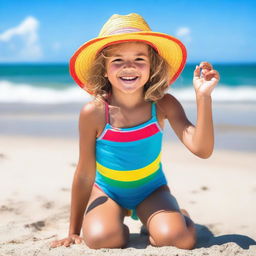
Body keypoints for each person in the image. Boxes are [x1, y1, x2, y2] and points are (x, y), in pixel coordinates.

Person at [50, 13, 220, 250]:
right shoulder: (95, 112)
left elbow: (202, 150)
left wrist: (203, 97)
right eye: (117, 60)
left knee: (178, 239)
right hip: (107, 191)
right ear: (104, 69)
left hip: (152, 190)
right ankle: (119, 219)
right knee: (102, 239)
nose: (129, 66)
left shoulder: (163, 104)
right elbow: (85, 172)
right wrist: (73, 231)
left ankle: (177, 215)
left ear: (152, 66)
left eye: (139, 58)